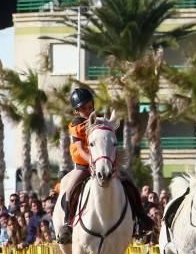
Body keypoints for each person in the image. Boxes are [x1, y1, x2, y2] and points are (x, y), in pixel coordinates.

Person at [56, 87, 152, 244]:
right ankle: (67, 223)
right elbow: (79, 149)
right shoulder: (76, 124)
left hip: (104, 163)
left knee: (128, 181)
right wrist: (91, 162)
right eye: (83, 108)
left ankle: (140, 218)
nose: (87, 111)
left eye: (89, 107)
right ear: (76, 110)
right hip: (83, 165)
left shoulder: (100, 120)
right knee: (70, 187)